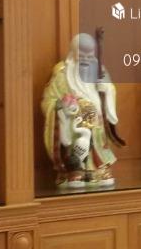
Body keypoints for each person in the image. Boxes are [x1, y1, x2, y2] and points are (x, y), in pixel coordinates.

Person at [42, 33, 122, 187]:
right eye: (81, 55)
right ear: (73, 53)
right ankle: (74, 169)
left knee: (95, 132)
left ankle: (98, 168)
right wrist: (62, 107)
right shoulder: (62, 74)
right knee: (76, 138)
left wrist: (106, 89)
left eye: (89, 56)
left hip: (96, 119)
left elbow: (110, 90)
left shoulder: (99, 70)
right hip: (72, 119)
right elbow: (48, 100)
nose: (85, 59)